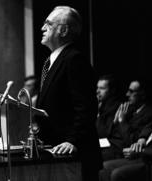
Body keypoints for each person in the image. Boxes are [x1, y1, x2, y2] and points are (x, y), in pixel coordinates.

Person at [35, 6, 102, 181]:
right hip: (53, 149)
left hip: (74, 155)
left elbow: (86, 107)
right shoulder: (51, 61)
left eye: (48, 24)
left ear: (63, 30)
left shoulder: (74, 59)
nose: (42, 28)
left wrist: (72, 140)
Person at [99, 114, 152, 181]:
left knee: (117, 174)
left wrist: (141, 151)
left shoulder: (151, 110)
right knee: (105, 167)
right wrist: (142, 139)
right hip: (140, 154)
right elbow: (150, 125)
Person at [113, 79, 152, 149]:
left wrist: (122, 121)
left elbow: (132, 141)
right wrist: (115, 121)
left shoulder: (151, 113)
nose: (127, 94)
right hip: (114, 144)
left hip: (124, 151)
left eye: (131, 91)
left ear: (143, 94)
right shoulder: (129, 108)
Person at [96, 74, 124, 160]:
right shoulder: (101, 106)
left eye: (102, 88)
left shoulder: (118, 108)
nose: (97, 91)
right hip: (103, 145)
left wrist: (98, 115)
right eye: (97, 88)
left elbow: (104, 134)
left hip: (114, 149)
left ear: (112, 91)